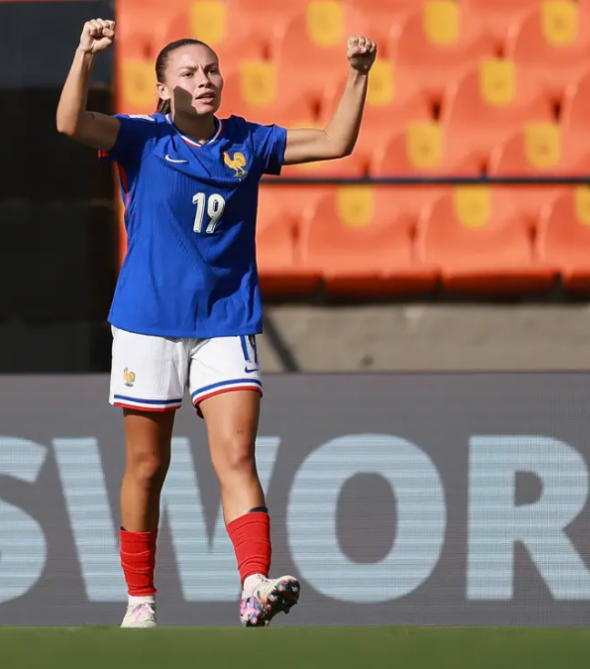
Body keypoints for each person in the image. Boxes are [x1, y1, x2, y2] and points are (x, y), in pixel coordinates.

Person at [56, 19, 377, 628]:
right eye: (189, 73)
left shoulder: (247, 141)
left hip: (226, 320)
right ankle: (140, 601)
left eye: (210, 70)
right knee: (147, 467)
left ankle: (254, 584)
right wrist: (84, 57)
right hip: (148, 323)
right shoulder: (141, 136)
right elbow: (69, 123)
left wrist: (357, 77)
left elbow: (336, 141)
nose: (204, 81)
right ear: (162, 90)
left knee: (237, 456)